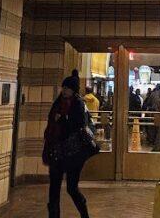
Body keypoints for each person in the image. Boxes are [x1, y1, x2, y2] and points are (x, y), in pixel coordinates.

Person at [43, 70, 96, 218]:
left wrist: (63, 119)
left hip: (73, 153)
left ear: (73, 90)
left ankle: (84, 213)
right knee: (54, 187)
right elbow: (51, 121)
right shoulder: (58, 103)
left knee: (71, 188)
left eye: (67, 88)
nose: (64, 90)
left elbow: (79, 125)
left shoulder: (78, 104)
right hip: (57, 151)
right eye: (63, 87)